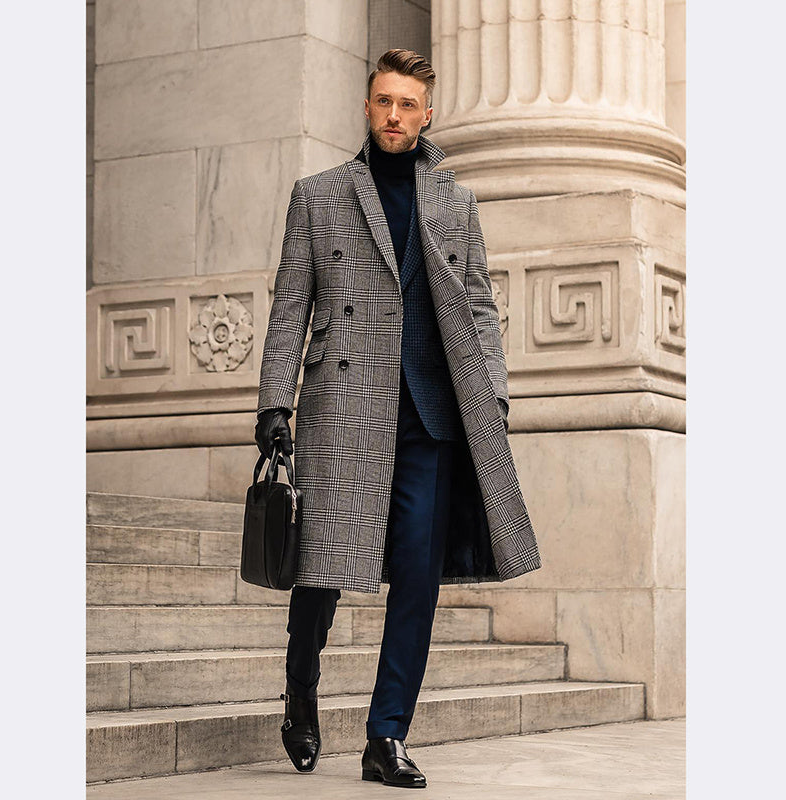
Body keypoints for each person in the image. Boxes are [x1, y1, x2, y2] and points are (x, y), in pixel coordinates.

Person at [255, 48, 541, 789]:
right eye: (383, 101)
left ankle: (387, 737)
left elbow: (479, 305)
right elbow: (291, 308)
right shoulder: (319, 196)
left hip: (432, 414)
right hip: (345, 406)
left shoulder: (456, 204)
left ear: (427, 114)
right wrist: (274, 406)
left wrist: (497, 396)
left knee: (417, 577)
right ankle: (302, 684)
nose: (394, 115)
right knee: (321, 571)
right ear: (367, 106)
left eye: (407, 104)